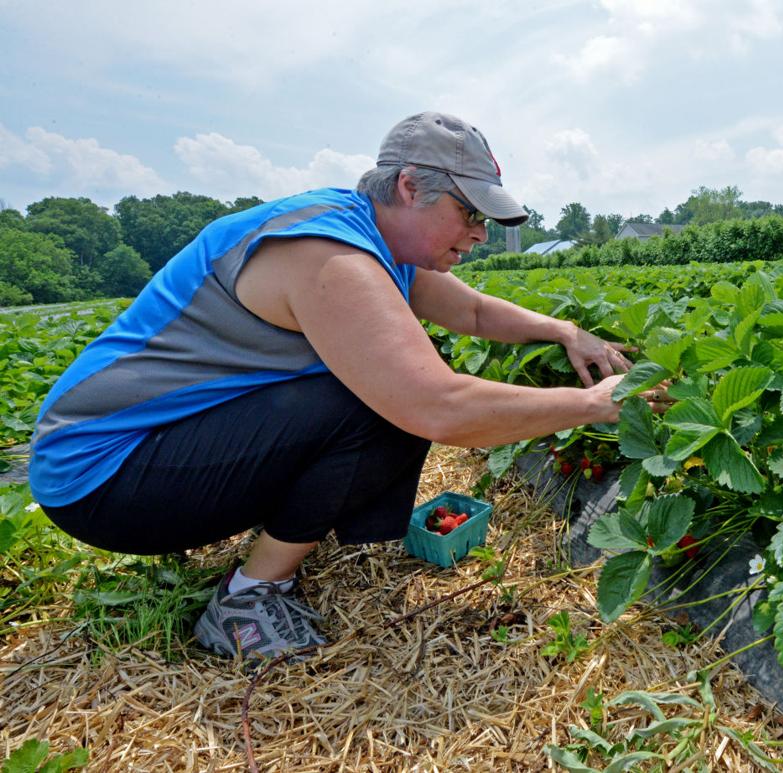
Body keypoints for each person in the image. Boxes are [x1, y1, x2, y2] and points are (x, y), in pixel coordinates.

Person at [29, 111, 658, 663]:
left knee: (380, 380)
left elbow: (468, 313)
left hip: (155, 447)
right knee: (380, 400)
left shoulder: (368, 233)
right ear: (410, 187)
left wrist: (565, 330)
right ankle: (247, 603)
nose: (478, 235)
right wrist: (593, 404)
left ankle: (273, 539)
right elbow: (436, 407)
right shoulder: (328, 256)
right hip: (102, 474)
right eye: (469, 214)